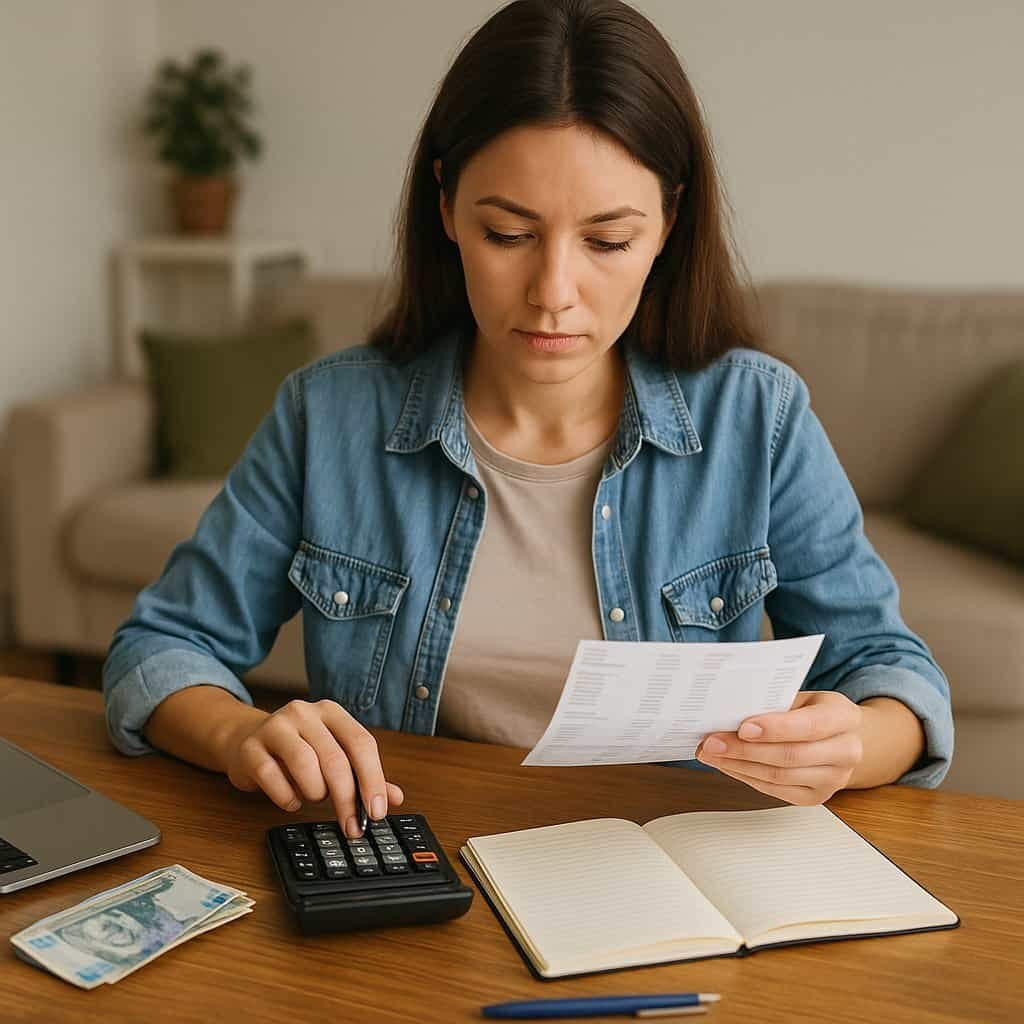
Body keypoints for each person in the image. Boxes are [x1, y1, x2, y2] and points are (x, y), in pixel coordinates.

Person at [103, 0, 952, 838]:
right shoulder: (327, 414)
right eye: (509, 233)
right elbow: (160, 647)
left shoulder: (757, 416)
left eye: (608, 241)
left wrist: (853, 742)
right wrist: (243, 732)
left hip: (672, 871)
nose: (553, 293)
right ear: (446, 206)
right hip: (418, 863)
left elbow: (892, 674)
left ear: (669, 224)